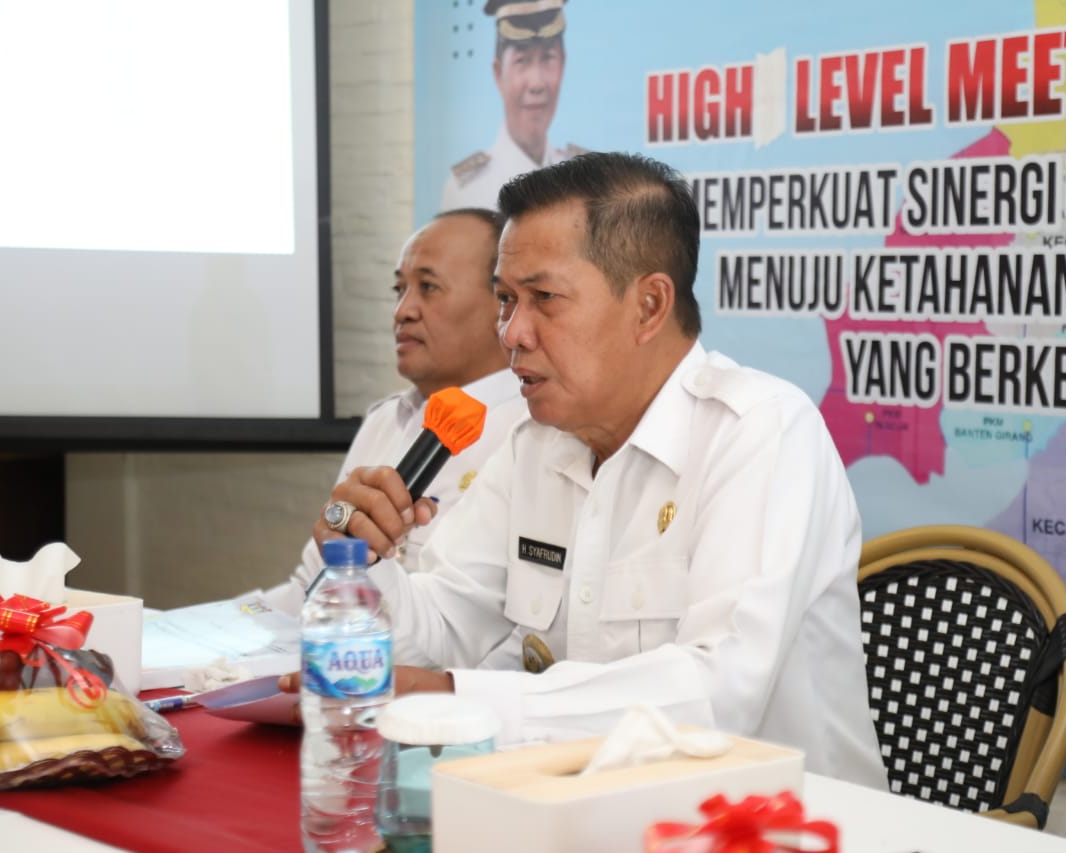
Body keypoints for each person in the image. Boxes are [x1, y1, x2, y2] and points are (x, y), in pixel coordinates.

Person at [302, 153, 888, 788]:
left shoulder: (760, 430)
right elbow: (444, 626)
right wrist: (361, 568)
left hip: (779, 820)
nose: (512, 333)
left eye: (544, 299)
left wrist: (460, 697)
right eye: (505, 300)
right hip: (582, 810)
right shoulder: (535, 446)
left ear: (649, 305)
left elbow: (717, 694)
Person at [262, 208, 526, 615]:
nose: (403, 310)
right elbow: (310, 585)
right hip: (340, 638)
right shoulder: (386, 419)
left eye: (428, 287)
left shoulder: (529, 431)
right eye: (399, 288)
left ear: (501, 304)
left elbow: (467, 627)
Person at [439, 0, 586, 212]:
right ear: (498, 73)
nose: (536, 84)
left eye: (548, 58)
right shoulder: (466, 191)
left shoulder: (585, 180)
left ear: (562, 64)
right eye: (522, 60)